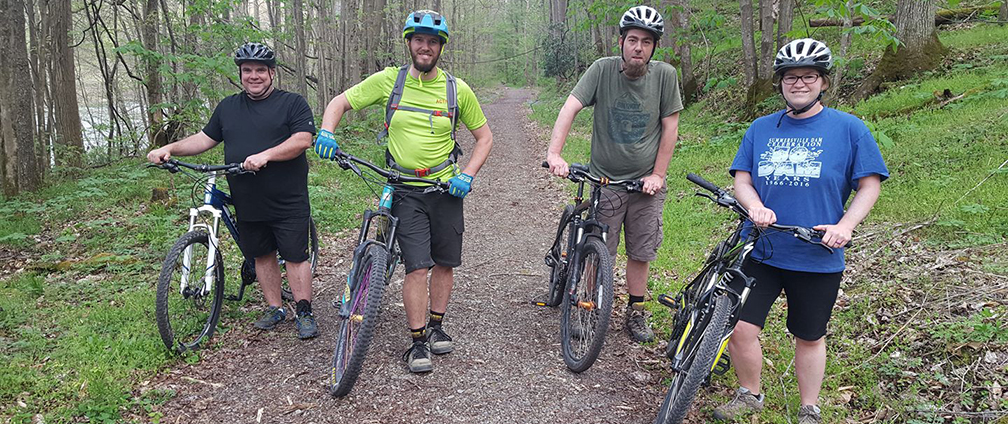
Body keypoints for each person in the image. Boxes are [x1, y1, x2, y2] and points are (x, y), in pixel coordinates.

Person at [715, 38, 888, 424]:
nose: (799, 83)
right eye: (790, 77)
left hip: (817, 252)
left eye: (808, 76)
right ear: (780, 83)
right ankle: (749, 395)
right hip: (761, 248)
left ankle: (809, 407)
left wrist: (846, 225)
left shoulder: (849, 129)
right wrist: (754, 206)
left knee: (809, 335)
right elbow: (742, 180)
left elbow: (870, 184)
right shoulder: (760, 129)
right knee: (741, 327)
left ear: (823, 82)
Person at [314, 10, 493, 373]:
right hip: (404, 188)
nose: (425, 47)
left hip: (444, 188)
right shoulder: (388, 81)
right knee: (417, 267)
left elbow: (485, 138)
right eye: (419, 40)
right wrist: (327, 131)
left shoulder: (457, 90)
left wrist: (468, 175)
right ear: (409, 43)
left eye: (432, 42)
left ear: (440, 48)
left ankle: (439, 325)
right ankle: (417, 341)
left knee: (445, 262)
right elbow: (339, 103)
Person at [147, 42, 319, 339]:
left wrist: (266, 155)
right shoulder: (228, 107)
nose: (254, 76)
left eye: (260, 70)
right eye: (247, 70)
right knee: (261, 254)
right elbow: (204, 139)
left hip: (287, 196)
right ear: (240, 74)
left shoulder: (292, 103)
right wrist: (169, 148)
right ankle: (276, 307)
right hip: (247, 197)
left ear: (272, 73)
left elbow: (302, 140)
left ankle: (303, 311)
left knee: (294, 256)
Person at [545, 5, 682, 343]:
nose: (639, 47)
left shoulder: (665, 76)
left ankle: (636, 311)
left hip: (645, 183)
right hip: (606, 179)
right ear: (621, 42)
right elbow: (570, 107)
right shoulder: (602, 70)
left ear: (654, 48)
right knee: (600, 248)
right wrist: (554, 154)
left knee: (642, 250)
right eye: (633, 40)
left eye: (646, 42)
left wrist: (658, 175)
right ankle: (586, 303)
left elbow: (670, 128)